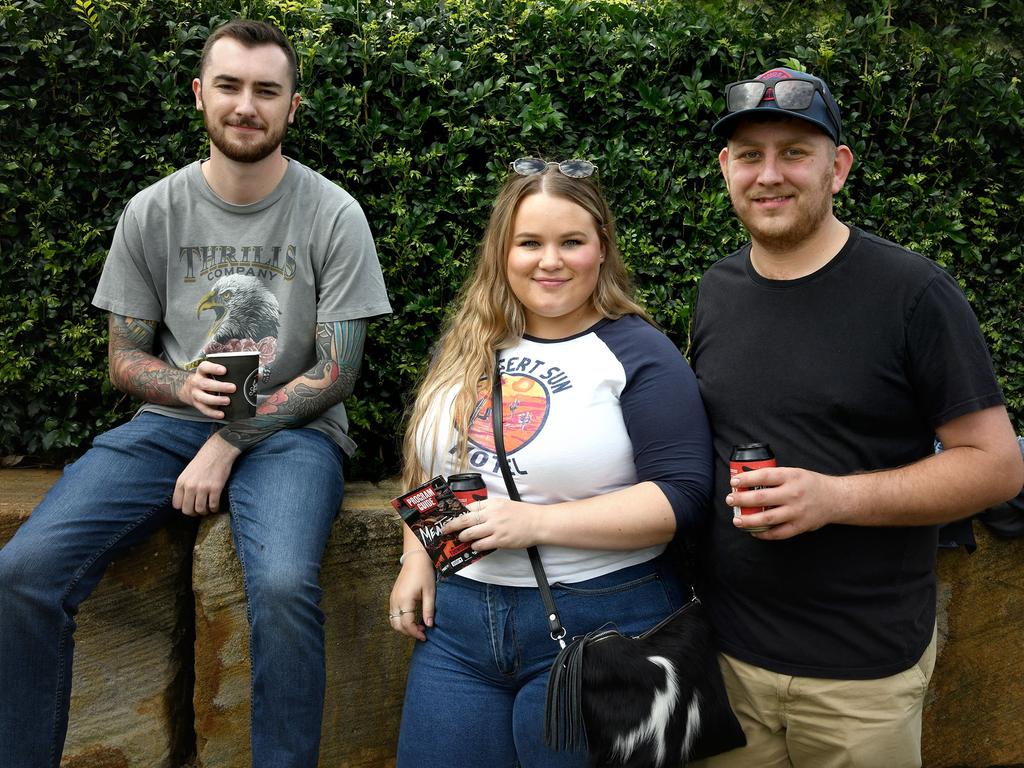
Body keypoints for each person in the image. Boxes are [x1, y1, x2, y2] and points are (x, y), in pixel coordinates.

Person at [0, 19, 391, 768]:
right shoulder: (153, 210)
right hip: (169, 423)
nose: (247, 105)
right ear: (200, 94)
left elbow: (336, 372)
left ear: (292, 107)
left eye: (266, 91)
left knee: (280, 588)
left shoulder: (334, 214)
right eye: (231, 86)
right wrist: (182, 386)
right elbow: (123, 358)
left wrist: (228, 440)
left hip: (293, 433)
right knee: (22, 573)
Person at [688, 66, 1024, 767]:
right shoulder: (715, 291)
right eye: (750, 154)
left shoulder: (914, 295)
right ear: (726, 168)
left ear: (836, 167)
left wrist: (833, 498)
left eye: (795, 152)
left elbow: (996, 466)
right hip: (727, 663)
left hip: (861, 678)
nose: (769, 174)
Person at [388, 158, 713, 767]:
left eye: (571, 242)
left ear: (601, 249)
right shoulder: (472, 342)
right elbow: (433, 466)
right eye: (529, 242)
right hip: (456, 631)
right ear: (501, 253)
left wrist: (535, 523)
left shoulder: (638, 352)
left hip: (605, 626)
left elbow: (683, 496)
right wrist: (417, 556)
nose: (550, 260)